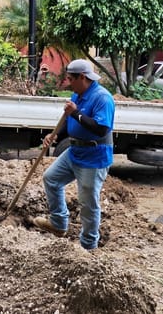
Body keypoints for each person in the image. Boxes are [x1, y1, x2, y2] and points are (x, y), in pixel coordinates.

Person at [32, 59, 115, 250]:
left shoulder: (102, 98)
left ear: (83, 77)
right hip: (75, 151)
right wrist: (55, 136)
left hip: (94, 157)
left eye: (71, 79)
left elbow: (101, 129)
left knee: (88, 204)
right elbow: (70, 121)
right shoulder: (77, 94)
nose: (68, 82)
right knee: (51, 178)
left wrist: (76, 113)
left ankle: (88, 246)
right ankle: (59, 224)